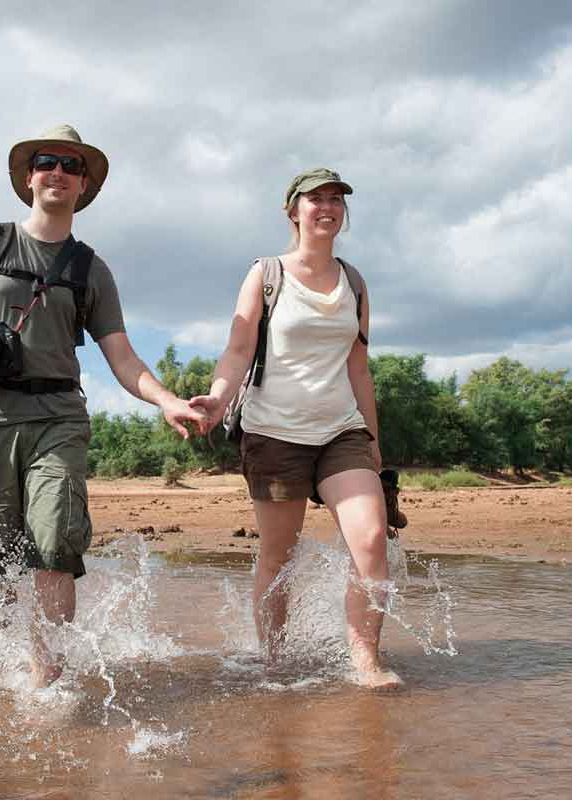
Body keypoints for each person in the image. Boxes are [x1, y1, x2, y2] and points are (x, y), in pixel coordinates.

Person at [0, 124, 205, 687]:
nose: (57, 171)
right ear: (30, 177)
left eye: (70, 164)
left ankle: (48, 676)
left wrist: (167, 401)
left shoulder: (90, 269)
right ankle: (1, 660)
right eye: (46, 162)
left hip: (58, 418)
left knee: (55, 539)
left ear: (83, 185)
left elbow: (121, 354)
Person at [188, 168, 401, 688]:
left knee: (372, 540)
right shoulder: (266, 273)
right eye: (315, 200)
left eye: (335, 200)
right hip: (273, 432)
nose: (326, 208)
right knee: (280, 556)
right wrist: (216, 399)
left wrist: (373, 445)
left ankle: (365, 663)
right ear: (294, 211)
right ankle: (275, 661)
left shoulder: (354, 281)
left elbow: (358, 366)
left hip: (341, 432)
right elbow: (238, 347)